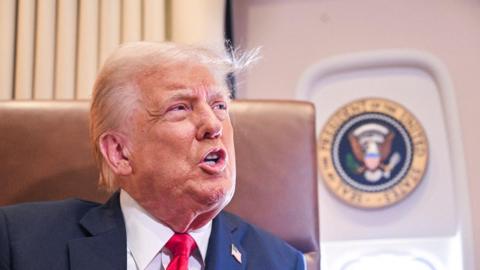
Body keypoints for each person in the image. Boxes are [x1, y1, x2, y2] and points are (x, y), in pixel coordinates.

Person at [0, 42, 305, 270]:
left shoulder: (281, 263)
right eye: (180, 108)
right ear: (119, 152)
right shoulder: (19, 243)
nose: (213, 125)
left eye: (220, 105)